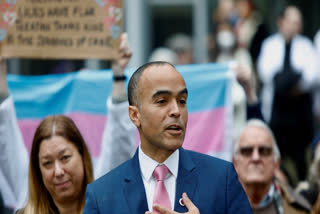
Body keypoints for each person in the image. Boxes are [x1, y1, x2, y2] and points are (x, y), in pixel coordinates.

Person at [83, 61, 252, 214]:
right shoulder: (102, 195)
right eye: (162, 101)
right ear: (135, 115)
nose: (176, 111)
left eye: (182, 101)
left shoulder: (222, 179)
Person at [0, 33, 135, 211]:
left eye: (65, 157)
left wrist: (118, 75)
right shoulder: (27, 207)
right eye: (47, 163)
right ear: (37, 171)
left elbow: (120, 145)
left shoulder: (104, 201)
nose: (58, 171)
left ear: (83, 156)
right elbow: (6, 142)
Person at [257, 5, 320, 181]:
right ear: (281, 22)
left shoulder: (306, 46)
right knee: (276, 158)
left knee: (302, 161)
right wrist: (292, 77)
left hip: (300, 116)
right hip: (278, 115)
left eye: (298, 22)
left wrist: (286, 80)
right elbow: (267, 73)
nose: (295, 26)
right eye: (292, 22)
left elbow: (311, 76)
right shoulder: (270, 45)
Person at [233, 119, 312, 214]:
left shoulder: (300, 210)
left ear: (276, 163)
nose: (255, 158)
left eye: (264, 151)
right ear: (235, 163)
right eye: (247, 151)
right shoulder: (215, 206)